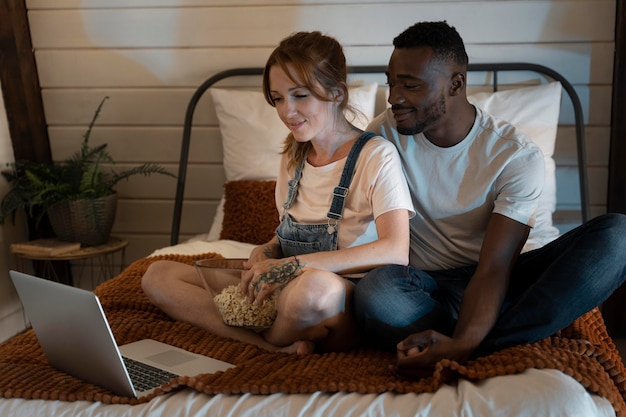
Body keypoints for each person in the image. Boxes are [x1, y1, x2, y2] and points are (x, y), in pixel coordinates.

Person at [352, 20, 626, 379]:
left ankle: (468, 346)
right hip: (423, 289)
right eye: (391, 82)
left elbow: (494, 266)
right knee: (377, 293)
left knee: (618, 236)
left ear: (456, 84)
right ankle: (499, 336)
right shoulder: (382, 135)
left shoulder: (515, 155)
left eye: (410, 85)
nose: (394, 97)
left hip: (498, 279)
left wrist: (465, 342)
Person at [142, 31, 414, 355]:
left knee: (310, 290)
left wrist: (292, 266)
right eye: (278, 98)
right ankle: (275, 346)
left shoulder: (375, 155)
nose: (287, 111)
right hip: (283, 283)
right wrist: (269, 250)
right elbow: (289, 231)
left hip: (337, 297)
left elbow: (396, 250)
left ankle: (261, 340)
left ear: (337, 92)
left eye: (299, 95)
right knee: (159, 274)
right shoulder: (293, 156)